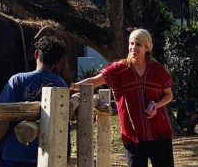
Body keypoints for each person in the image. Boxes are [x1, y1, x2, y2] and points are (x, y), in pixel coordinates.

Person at [70, 29, 174, 167]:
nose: (133, 48)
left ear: (147, 47)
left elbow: (169, 95)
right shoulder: (119, 69)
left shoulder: (157, 70)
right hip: (133, 135)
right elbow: (94, 81)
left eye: (138, 44)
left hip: (160, 134)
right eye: (131, 43)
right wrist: (72, 86)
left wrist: (157, 105)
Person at [0, 35, 68, 167]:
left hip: (13, 152)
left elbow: (4, 117)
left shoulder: (17, 80)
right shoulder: (61, 85)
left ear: (36, 53)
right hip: (44, 154)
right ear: (57, 61)